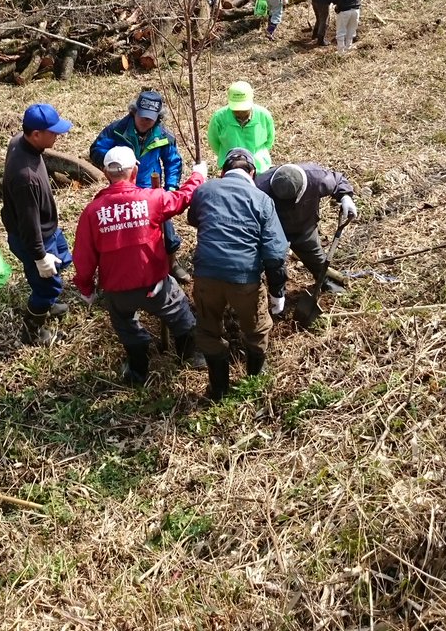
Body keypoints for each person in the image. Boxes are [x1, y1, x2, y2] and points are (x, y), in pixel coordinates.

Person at [72, 146, 208, 385]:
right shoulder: (150, 200)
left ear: (105, 173)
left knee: (125, 326)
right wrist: (198, 175)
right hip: (154, 285)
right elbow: (182, 198)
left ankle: (138, 369)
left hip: (116, 291)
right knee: (180, 315)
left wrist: (86, 288)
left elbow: (83, 256)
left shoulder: (92, 212)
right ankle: (190, 356)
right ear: (135, 170)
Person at [188, 148, 289, 401]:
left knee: (209, 330)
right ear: (252, 173)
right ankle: (254, 380)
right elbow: (276, 253)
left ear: (223, 171)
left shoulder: (204, 190)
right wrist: (277, 292)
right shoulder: (262, 199)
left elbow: (194, 219)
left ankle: (219, 389)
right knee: (256, 329)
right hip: (245, 277)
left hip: (206, 275)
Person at [89, 90, 189, 283]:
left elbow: (173, 162)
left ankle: (172, 263)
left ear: (158, 118)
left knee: (165, 229)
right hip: (121, 188)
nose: (145, 121)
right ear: (134, 112)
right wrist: (115, 161)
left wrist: (171, 189)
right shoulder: (118, 129)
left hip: (150, 189)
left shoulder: (164, 135)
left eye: (150, 119)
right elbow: (96, 149)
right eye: (141, 116)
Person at [1, 103, 74, 346]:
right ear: (35, 134)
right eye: (53, 132)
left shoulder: (18, 142)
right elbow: (29, 224)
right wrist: (40, 257)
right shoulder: (26, 179)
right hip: (35, 239)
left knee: (63, 259)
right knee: (47, 286)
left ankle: (47, 304)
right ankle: (33, 330)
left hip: (48, 230)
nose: (58, 136)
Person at [255, 162, 357, 297]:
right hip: (274, 230)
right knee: (273, 262)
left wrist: (345, 197)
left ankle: (323, 281)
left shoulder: (316, 178)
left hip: (304, 226)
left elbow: (339, 180)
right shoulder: (259, 186)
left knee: (315, 257)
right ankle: (275, 293)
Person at [207, 81, 275, 174]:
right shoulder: (219, 118)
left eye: (243, 109)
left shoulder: (263, 115)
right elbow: (214, 141)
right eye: (236, 109)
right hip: (231, 168)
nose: (239, 112)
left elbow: (269, 140)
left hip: (259, 169)